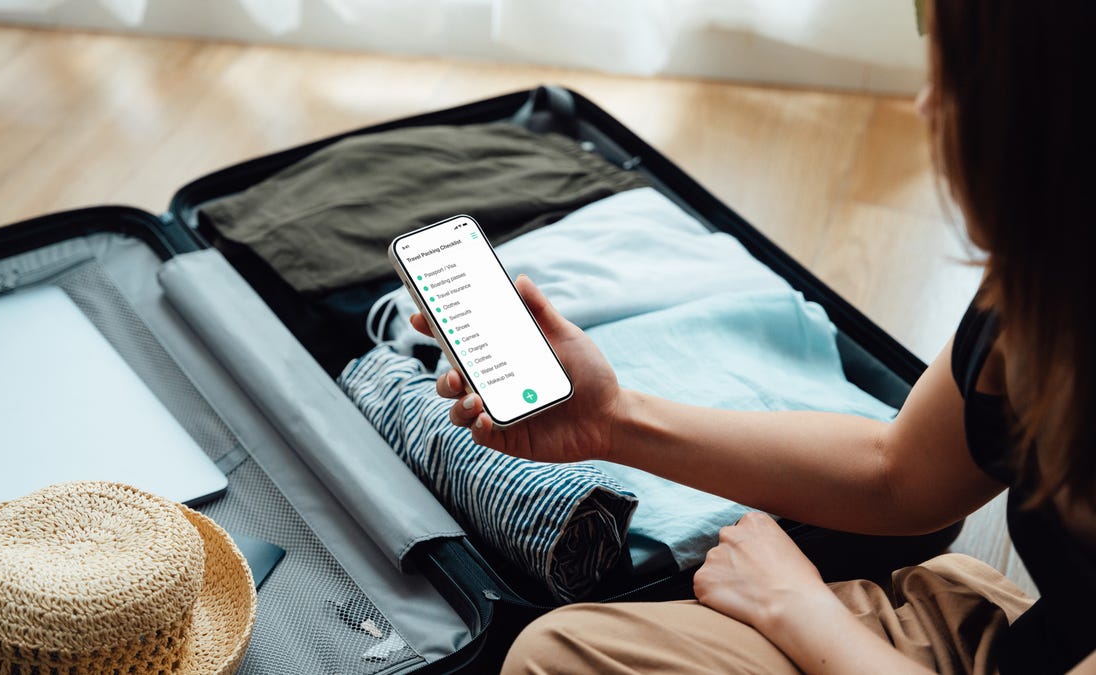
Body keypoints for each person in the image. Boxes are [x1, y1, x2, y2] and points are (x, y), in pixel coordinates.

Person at [409, 1, 1095, 672]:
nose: (925, 106)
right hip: (1020, 643)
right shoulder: (1044, 288)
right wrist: (612, 419)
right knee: (555, 652)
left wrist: (796, 606)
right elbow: (898, 473)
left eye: (956, 82)